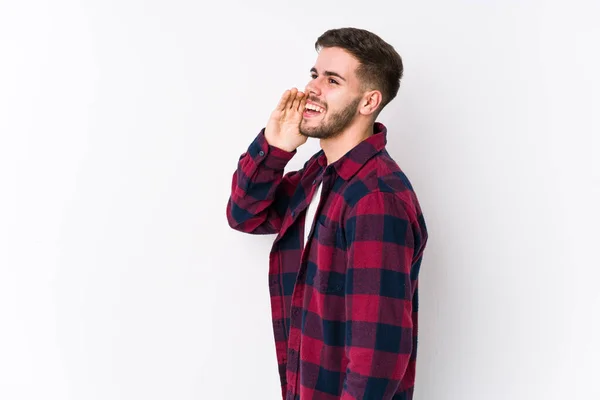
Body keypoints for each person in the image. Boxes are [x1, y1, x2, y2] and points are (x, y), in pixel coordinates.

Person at [226, 27, 428, 400]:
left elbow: (377, 360)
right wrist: (275, 148)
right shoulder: (320, 174)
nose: (312, 89)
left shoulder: (376, 198)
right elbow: (245, 214)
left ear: (369, 102)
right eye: (314, 75)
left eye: (332, 80)